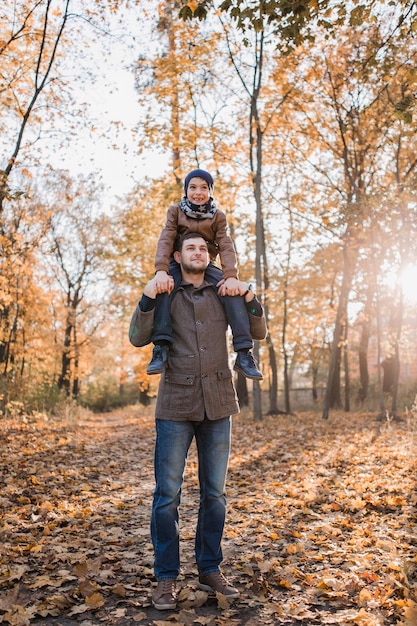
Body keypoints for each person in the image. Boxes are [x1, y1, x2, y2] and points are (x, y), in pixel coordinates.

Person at [129, 233, 267, 610]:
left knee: (215, 495)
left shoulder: (224, 290)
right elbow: (137, 337)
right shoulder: (165, 289)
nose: (198, 252)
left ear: (211, 255)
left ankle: (209, 569)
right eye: (191, 248)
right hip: (175, 403)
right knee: (166, 497)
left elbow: (258, 332)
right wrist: (147, 295)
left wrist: (250, 296)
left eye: (204, 248)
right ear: (177, 254)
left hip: (219, 404)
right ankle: (166, 579)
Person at [146, 168, 262, 381]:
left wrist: (231, 276)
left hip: (206, 263)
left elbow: (225, 244)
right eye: (193, 187)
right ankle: (161, 348)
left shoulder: (217, 216)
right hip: (178, 261)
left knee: (231, 291)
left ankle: (244, 354)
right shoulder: (175, 211)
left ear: (210, 191)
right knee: (164, 287)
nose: (198, 192)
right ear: (186, 190)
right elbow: (166, 238)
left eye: (203, 188)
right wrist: (162, 271)